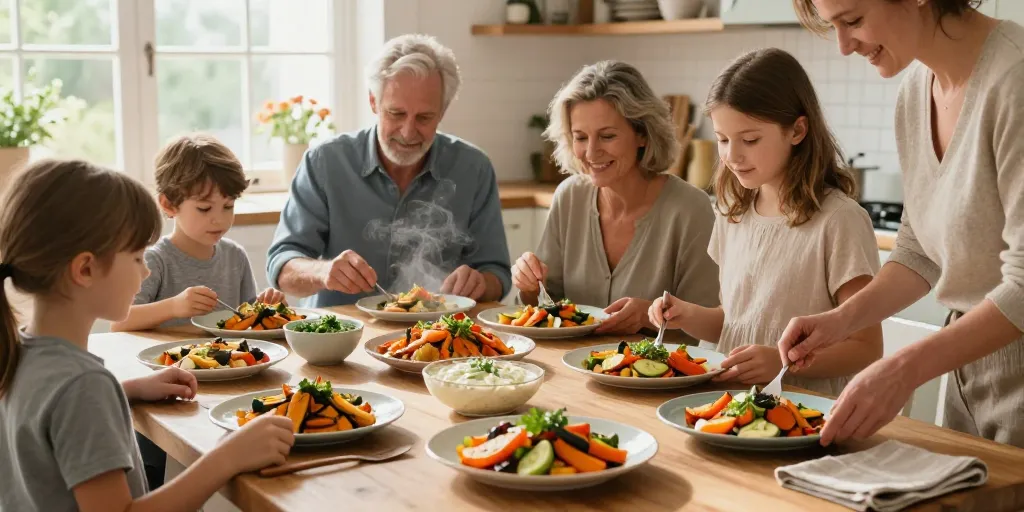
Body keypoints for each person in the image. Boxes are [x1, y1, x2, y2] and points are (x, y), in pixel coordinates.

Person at [780, 0, 1024, 447]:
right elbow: (917, 250)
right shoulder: (915, 92)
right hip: (965, 375)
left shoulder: (1016, 80)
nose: (843, 46)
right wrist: (840, 321)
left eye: (853, 21)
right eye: (833, 26)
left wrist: (903, 369)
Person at [0, 159, 294, 511]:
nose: (146, 269)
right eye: (138, 256)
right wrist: (227, 457)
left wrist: (128, 392)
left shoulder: (18, 352)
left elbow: (52, 422)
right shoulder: (84, 386)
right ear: (86, 269)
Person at [648, 48, 883, 396]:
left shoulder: (840, 221)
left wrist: (783, 361)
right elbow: (737, 323)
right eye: (722, 139)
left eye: (750, 139)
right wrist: (687, 315)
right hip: (732, 402)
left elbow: (866, 346)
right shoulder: (734, 213)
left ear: (798, 130)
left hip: (805, 413)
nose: (731, 156)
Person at [267, 34, 511, 307]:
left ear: (442, 112)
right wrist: (323, 272)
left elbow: (497, 274)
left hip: (435, 336)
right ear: (373, 102)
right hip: (341, 337)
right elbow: (282, 265)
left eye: (424, 117)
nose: (408, 132)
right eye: (396, 113)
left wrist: (481, 282)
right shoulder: (324, 162)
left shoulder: (473, 168)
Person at [512, 60, 720, 340]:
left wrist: (650, 315)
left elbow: (706, 328)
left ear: (642, 134)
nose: (591, 152)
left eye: (607, 136)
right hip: (572, 372)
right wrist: (528, 287)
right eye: (580, 137)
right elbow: (548, 307)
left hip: (660, 379)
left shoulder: (690, 209)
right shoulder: (570, 196)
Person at [112, 133, 285, 332]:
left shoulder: (235, 256)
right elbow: (119, 323)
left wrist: (271, 310)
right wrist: (173, 307)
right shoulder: (155, 260)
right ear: (169, 205)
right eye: (204, 208)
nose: (219, 219)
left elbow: (249, 320)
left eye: (228, 206)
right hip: (170, 362)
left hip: (230, 361)